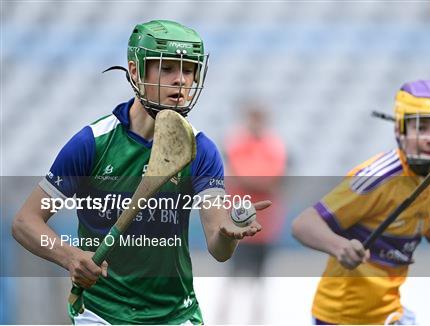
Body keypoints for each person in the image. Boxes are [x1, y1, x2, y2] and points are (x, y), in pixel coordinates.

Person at [11, 19, 270, 325]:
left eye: (188, 70)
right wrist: (69, 256)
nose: (180, 81)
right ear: (135, 71)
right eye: (168, 68)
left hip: (176, 315)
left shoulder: (201, 149)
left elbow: (218, 245)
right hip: (101, 314)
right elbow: (25, 222)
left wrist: (229, 235)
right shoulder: (92, 143)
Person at [291, 80, 430, 325]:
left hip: (390, 316)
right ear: (400, 130)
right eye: (422, 127)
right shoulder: (377, 177)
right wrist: (339, 246)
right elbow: (303, 224)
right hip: (340, 318)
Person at [220, 100, 287, 323]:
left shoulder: (273, 144)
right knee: (232, 279)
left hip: (264, 225)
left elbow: (271, 177)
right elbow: (244, 175)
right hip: (238, 223)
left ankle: (255, 321)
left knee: (259, 281)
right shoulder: (237, 142)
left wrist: (254, 180)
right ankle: (224, 319)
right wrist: (260, 181)